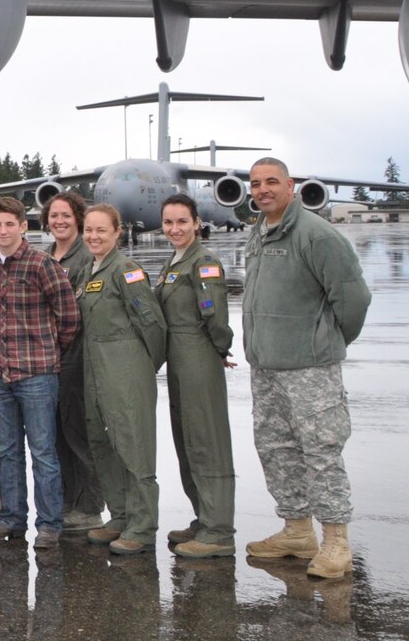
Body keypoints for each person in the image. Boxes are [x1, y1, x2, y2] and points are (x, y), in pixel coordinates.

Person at [240, 157, 371, 579]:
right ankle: (297, 530)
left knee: (321, 452)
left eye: (271, 182)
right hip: (267, 367)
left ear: (290, 185)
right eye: (256, 183)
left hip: (310, 370)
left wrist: (327, 342)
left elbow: (353, 299)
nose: (262, 190)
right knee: (277, 450)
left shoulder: (316, 235)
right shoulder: (258, 233)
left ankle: (336, 541)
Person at [0, 196, 81, 549]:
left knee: (43, 452)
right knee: (7, 451)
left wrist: (47, 352)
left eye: (9, 224)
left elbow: (69, 317)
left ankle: (49, 524)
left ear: (23, 226)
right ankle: (11, 519)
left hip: (36, 374)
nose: (2, 230)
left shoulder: (42, 265)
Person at [76, 203, 168, 557]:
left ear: (117, 232)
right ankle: (120, 514)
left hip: (125, 370)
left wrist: (143, 368)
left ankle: (143, 526)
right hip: (95, 368)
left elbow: (153, 324)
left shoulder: (126, 270)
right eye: (89, 230)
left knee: (133, 446)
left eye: (101, 230)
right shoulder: (89, 269)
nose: (93, 236)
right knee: (101, 443)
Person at [157, 193, 239, 559]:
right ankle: (203, 518)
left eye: (182, 222)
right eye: (169, 222)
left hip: (198, 357)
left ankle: (219, 530)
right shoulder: (174, 261)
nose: (175, 229)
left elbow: (215, 317)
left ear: (197, 223)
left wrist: (219, 350)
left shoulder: (203, 263)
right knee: (186, 440)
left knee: (207, 441)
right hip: (178, 358)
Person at [45, 192, 103, 534]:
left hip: (77, 357)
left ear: (77, 218)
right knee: (56, 435)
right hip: (50, 358)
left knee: (79, 433)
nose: (60, 222)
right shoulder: (46, 256)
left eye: (66, 215)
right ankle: (68, 501)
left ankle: (90, 506)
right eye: (54, 216)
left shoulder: (86, 256)